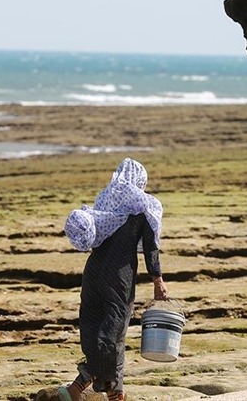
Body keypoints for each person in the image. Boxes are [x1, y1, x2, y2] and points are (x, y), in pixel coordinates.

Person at [60, 157, 170, 401]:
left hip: (93, 273)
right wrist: (158, 280)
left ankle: (102, 391)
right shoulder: (144, 206)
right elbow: (151, 248)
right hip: (118, 276)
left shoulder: (105, 199)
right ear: (140, 180)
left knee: (93, 328)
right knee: (114, 334)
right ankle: (88, 385)